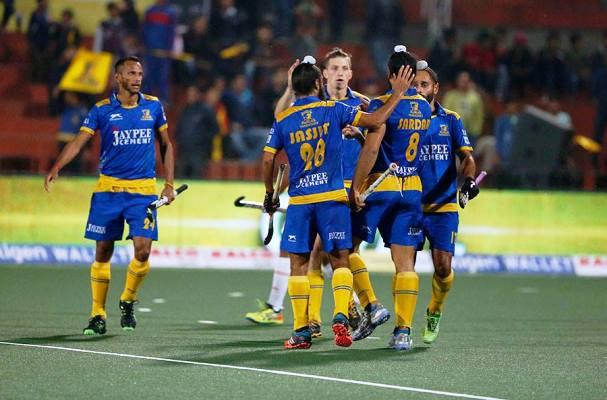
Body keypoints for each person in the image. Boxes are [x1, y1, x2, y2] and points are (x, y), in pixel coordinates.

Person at [262, 55, 413, 350]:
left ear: (294, 86)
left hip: (302, 202)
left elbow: (268, 158)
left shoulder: (283, 119)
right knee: (340, 259)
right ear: (320, 83)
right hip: (333, 199)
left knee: (299, 264)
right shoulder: (334, 109)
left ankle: (301, 331)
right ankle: (342, 315)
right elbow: (376, 121)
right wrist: (398, 93)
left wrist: (270, 193)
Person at [44, 56, 175, 336]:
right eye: (131, 73)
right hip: (108, 191)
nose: (138, 78)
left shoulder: (153, 106)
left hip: (143, 193)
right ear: (118, 78)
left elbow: (167, 145)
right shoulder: (102, 110)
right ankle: (98, 314)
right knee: (103, 252)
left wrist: (169, 183)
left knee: (142, 250)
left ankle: (127, 299)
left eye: (140, 73)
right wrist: (57, 166)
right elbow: (79, 141)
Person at [349, 46, 432, 351]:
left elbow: (373, 151)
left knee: (345, 249)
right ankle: (404, 332)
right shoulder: (425, 108)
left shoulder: (382, 104)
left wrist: (356, 187)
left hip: (381, 186)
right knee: (405, 263)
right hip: (411, 188)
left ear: (390, 75)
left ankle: (372, 305)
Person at [412, 64, 478, 345]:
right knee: (405, 268)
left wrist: (469, 179)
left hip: (443, 207)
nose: (419, 89)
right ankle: (403, 326)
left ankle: (434, 310)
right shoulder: (403, 117)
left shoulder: (450, 120)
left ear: (435, 89)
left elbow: (467, 158)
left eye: (424, 85)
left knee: (442, 266)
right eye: (415, 85)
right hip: (410, 205)